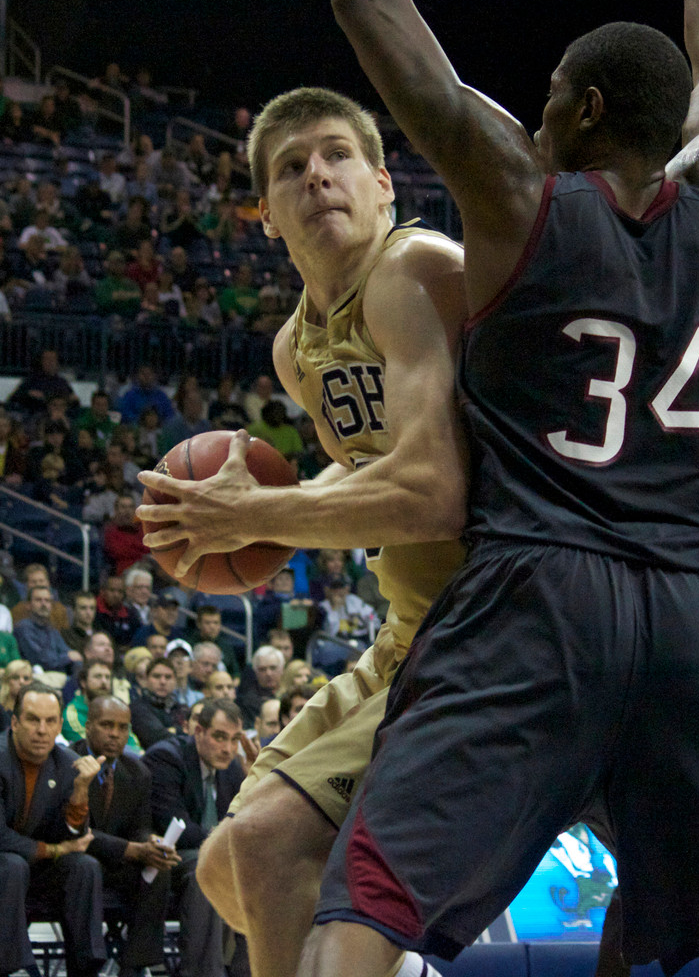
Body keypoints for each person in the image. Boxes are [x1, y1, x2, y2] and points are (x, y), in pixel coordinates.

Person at [286, 0, 699, 976]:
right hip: (696, 617)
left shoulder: (519, 191)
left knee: (362, 908)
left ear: (586, 107)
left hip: (539, 594)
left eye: (551, 99)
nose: (535, 116)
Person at [136, 84, 466, 977]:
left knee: (268, 850)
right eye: (291, 169)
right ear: (267, 217)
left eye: (337, 155)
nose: (317, 177)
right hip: (410, 633)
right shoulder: (296, 347)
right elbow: (364, 472)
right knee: (222, 864)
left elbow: (432, 493)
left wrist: (255, 515)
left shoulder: (414, 271)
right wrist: (241, 520)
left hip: (492, 624)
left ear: (385, 182)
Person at [0, 682, 107, 977]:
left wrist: (80, 793)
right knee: (12, 865)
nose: (42, 730)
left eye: (50, 721)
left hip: (36, 868)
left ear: (61, 724)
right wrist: (55, 850)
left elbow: (75, 837)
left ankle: (87, 967)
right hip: (7, 866)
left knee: (84, 866)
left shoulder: (68, 763)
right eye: (33, 719)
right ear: (14, 722)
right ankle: (13, 968)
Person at [71, 696, 179, 977]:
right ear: (88, 726)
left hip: (117, 864)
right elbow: (75, 831)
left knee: (159, 866)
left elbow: (140, 826)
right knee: (87, 867)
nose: (115, 734)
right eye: (107, 725)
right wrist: (131, 849)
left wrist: (150, 843)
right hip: (74, 861)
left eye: (122, 727)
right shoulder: (68, 763)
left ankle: (135, 965)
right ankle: (86, 966)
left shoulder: (138, 772)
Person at [144, 698, 247, 977]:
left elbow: (244, 822)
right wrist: (227, 840)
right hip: (164, 859)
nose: (228, 748)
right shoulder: (166, 758)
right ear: (198, 732)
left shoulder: (233, 768)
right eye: (219, 737)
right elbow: (176, 827)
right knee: (205, 869)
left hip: (215, 855)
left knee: (257, 872)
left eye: (235, 739)